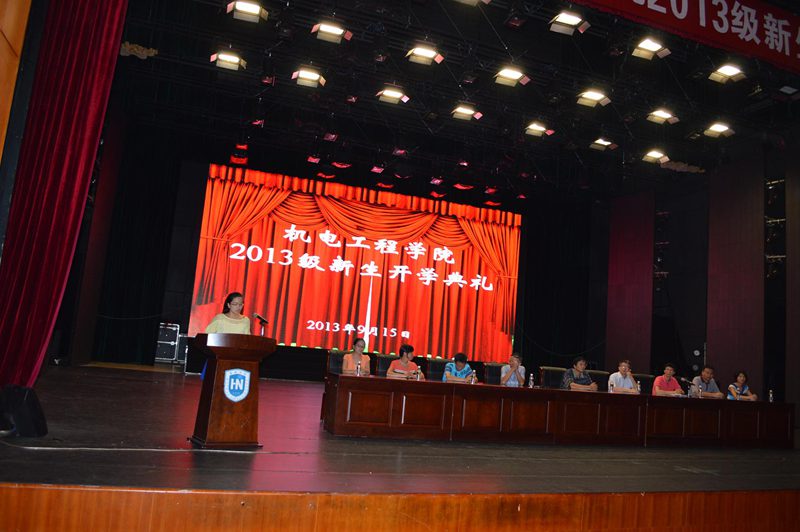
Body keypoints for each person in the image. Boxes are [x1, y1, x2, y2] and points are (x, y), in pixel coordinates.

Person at [202, 292, 250, 379]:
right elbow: (208, 335)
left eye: (240, 304)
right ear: (228, 305)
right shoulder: (220, 318)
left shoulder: (246, 320)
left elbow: (247, 339)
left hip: (238, 357)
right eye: (235, 304)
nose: (238, 307)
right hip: (219, 356)